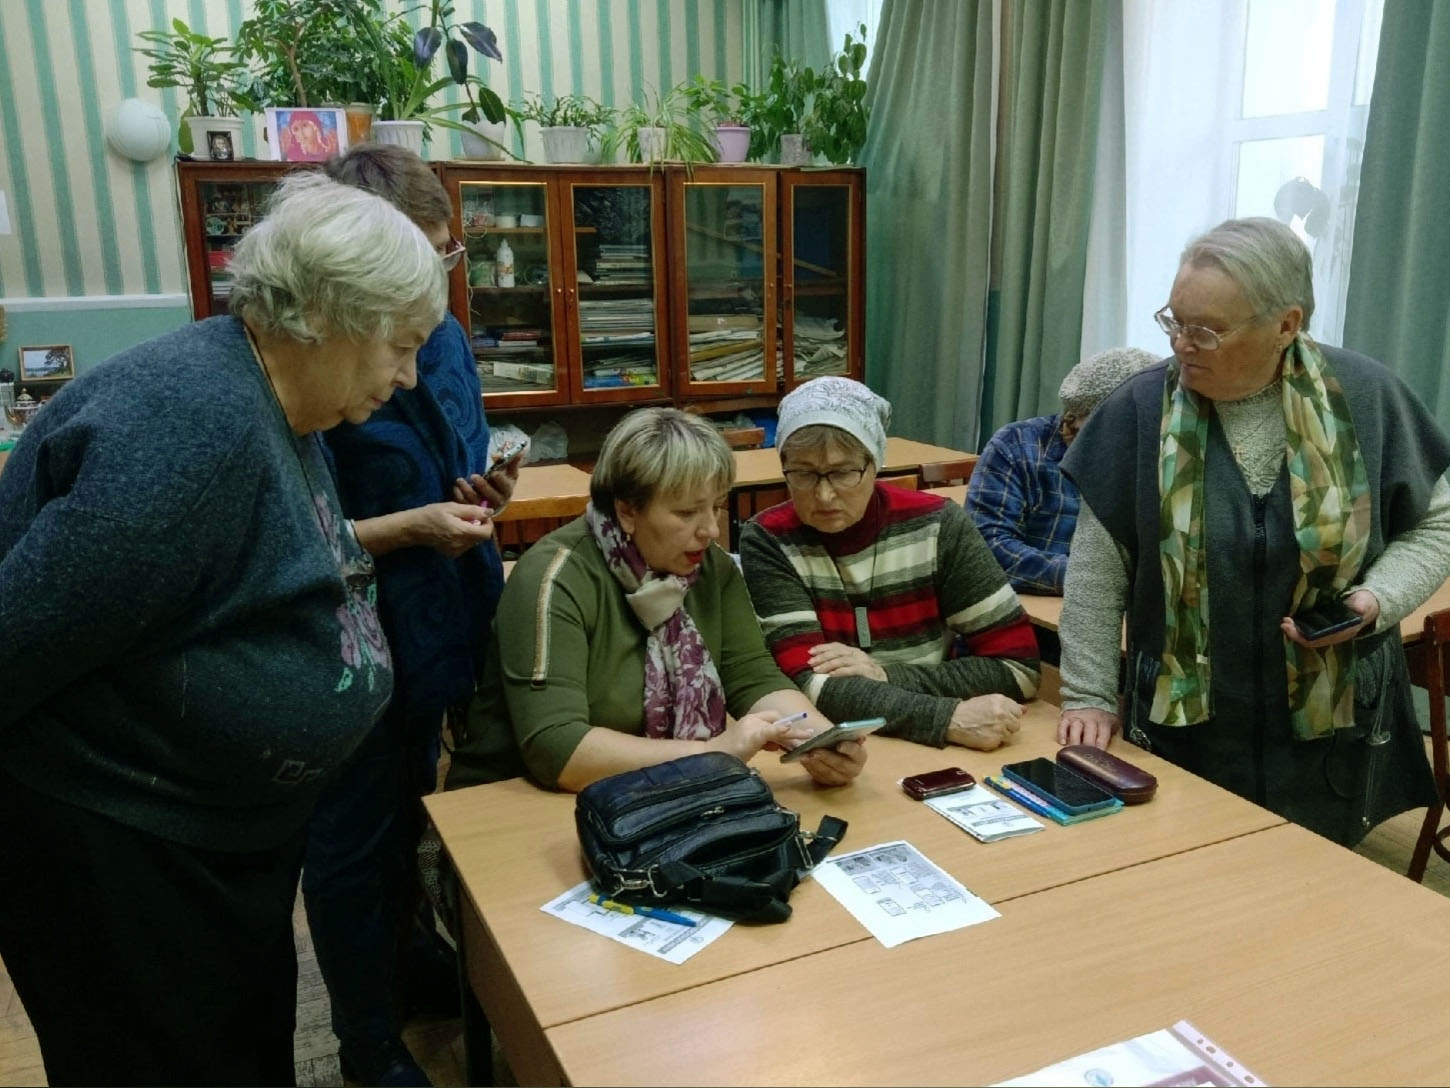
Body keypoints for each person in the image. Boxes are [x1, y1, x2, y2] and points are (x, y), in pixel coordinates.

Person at [0, 172, 445, 1086]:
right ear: (326, 314)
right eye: (400, 347)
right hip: (126, 863)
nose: (405, 379)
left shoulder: (274, 393)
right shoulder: (194, 430)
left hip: (209, 847)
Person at [1057, 216, 1450, 846]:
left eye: (1207, 330)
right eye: (1175, 321)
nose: (1183, 343)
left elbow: (1438, 526)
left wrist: (1377, 602)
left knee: (1320, 887)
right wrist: (1087, 696)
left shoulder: (1367, 398)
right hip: (1189, 722)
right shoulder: (1137, 410)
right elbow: (1098, 569)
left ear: (1286, 325)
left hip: (1333, 722)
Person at [304, 143, 516, 1087]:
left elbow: (455, 453)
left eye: (449, 254)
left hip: (447, 612)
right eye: (420, 258)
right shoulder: (313, 358)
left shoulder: (451, 337)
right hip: (347, 638)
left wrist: (481, 493)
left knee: (419, 813)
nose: (438, 280)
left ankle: (419, 959)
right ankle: (366, 1043)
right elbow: (289, 535)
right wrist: (411, 526)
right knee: (354, 843)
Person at [446, 407, 868, 793]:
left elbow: (752, 677)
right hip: (514, 798)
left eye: (716, 508)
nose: (710, 530)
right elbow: (558, 749)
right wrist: (713, 754)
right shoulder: (555, 577)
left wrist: (823, 737)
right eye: (687, 513)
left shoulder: (709, 568)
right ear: (627, 511)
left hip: (649, 794)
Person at [739, 376, 1041, 752]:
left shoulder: (938, 524)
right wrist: (944, 717)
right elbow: (804, 686)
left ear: (875, 462)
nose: (824, 493)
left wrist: (884, 674)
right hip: (848, 745)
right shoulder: (768, 539)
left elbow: (1020, 667)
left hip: (926, 745)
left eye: (844, 471)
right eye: (802, 474)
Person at [967, 347, 1158, 594]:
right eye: (1075, 421)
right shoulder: (1016, 445)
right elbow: (987, 548)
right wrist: (1092, 580)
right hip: (1029, 613)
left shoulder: (1156, 454)